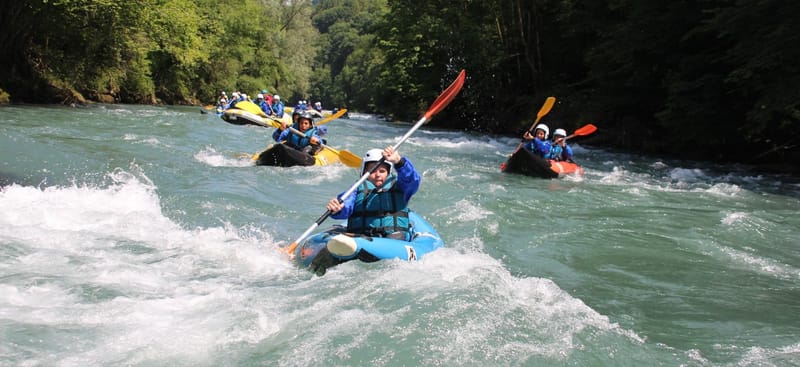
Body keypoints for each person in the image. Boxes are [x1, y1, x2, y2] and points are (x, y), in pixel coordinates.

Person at [325, 147, 421, 243]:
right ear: (364, 173)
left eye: (382, 171)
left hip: (395, 237)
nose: (377, 175)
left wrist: (399, 162)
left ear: (388, 173)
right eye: (372, 171)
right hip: (361, 237)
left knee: (395, 236)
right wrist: (338, 209)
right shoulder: (356, 189)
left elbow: (413, 180)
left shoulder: (401, 187)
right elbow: (346, 204)